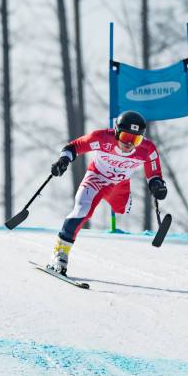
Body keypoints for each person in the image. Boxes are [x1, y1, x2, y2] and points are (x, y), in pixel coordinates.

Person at [47, 110, 168, 275]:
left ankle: (124, 202)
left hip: (119, 185)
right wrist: (63, 160)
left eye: (136, 139)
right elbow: (74, 147)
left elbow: (154, 174)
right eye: (126, 137)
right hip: (96, 178)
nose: (130, 143)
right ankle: (60, 254)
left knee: (122, 209)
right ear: (117, 132)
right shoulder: (103, 138)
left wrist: (157, 186)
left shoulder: (147, 149)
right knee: (82, 209)